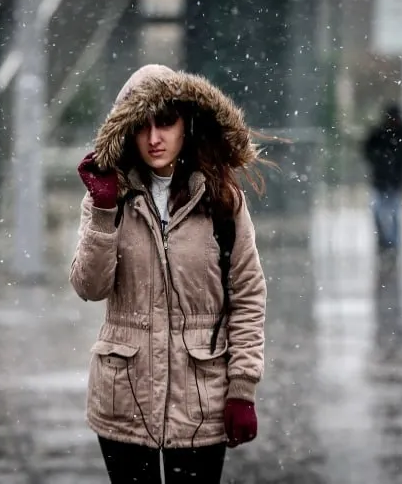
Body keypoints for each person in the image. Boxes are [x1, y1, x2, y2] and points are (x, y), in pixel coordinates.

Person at [69, 64, 269, 484]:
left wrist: (242, 388)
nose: (154, 138)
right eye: (142, 126)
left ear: (186, 125)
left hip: (200, 401)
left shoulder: (222, 201)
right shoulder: (108, 197)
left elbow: (248, 296)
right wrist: (104, 211)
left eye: (165, 123)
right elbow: (89, 286)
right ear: (126, 131)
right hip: (123, 399)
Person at [361, 103, 402, 253]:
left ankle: (392, 242)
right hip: (382, 179)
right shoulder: (381, 133)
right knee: (380, 211)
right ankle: (385, 240)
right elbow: (367, 150)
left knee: (393, 212)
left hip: (393, 180)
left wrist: (395, 161)